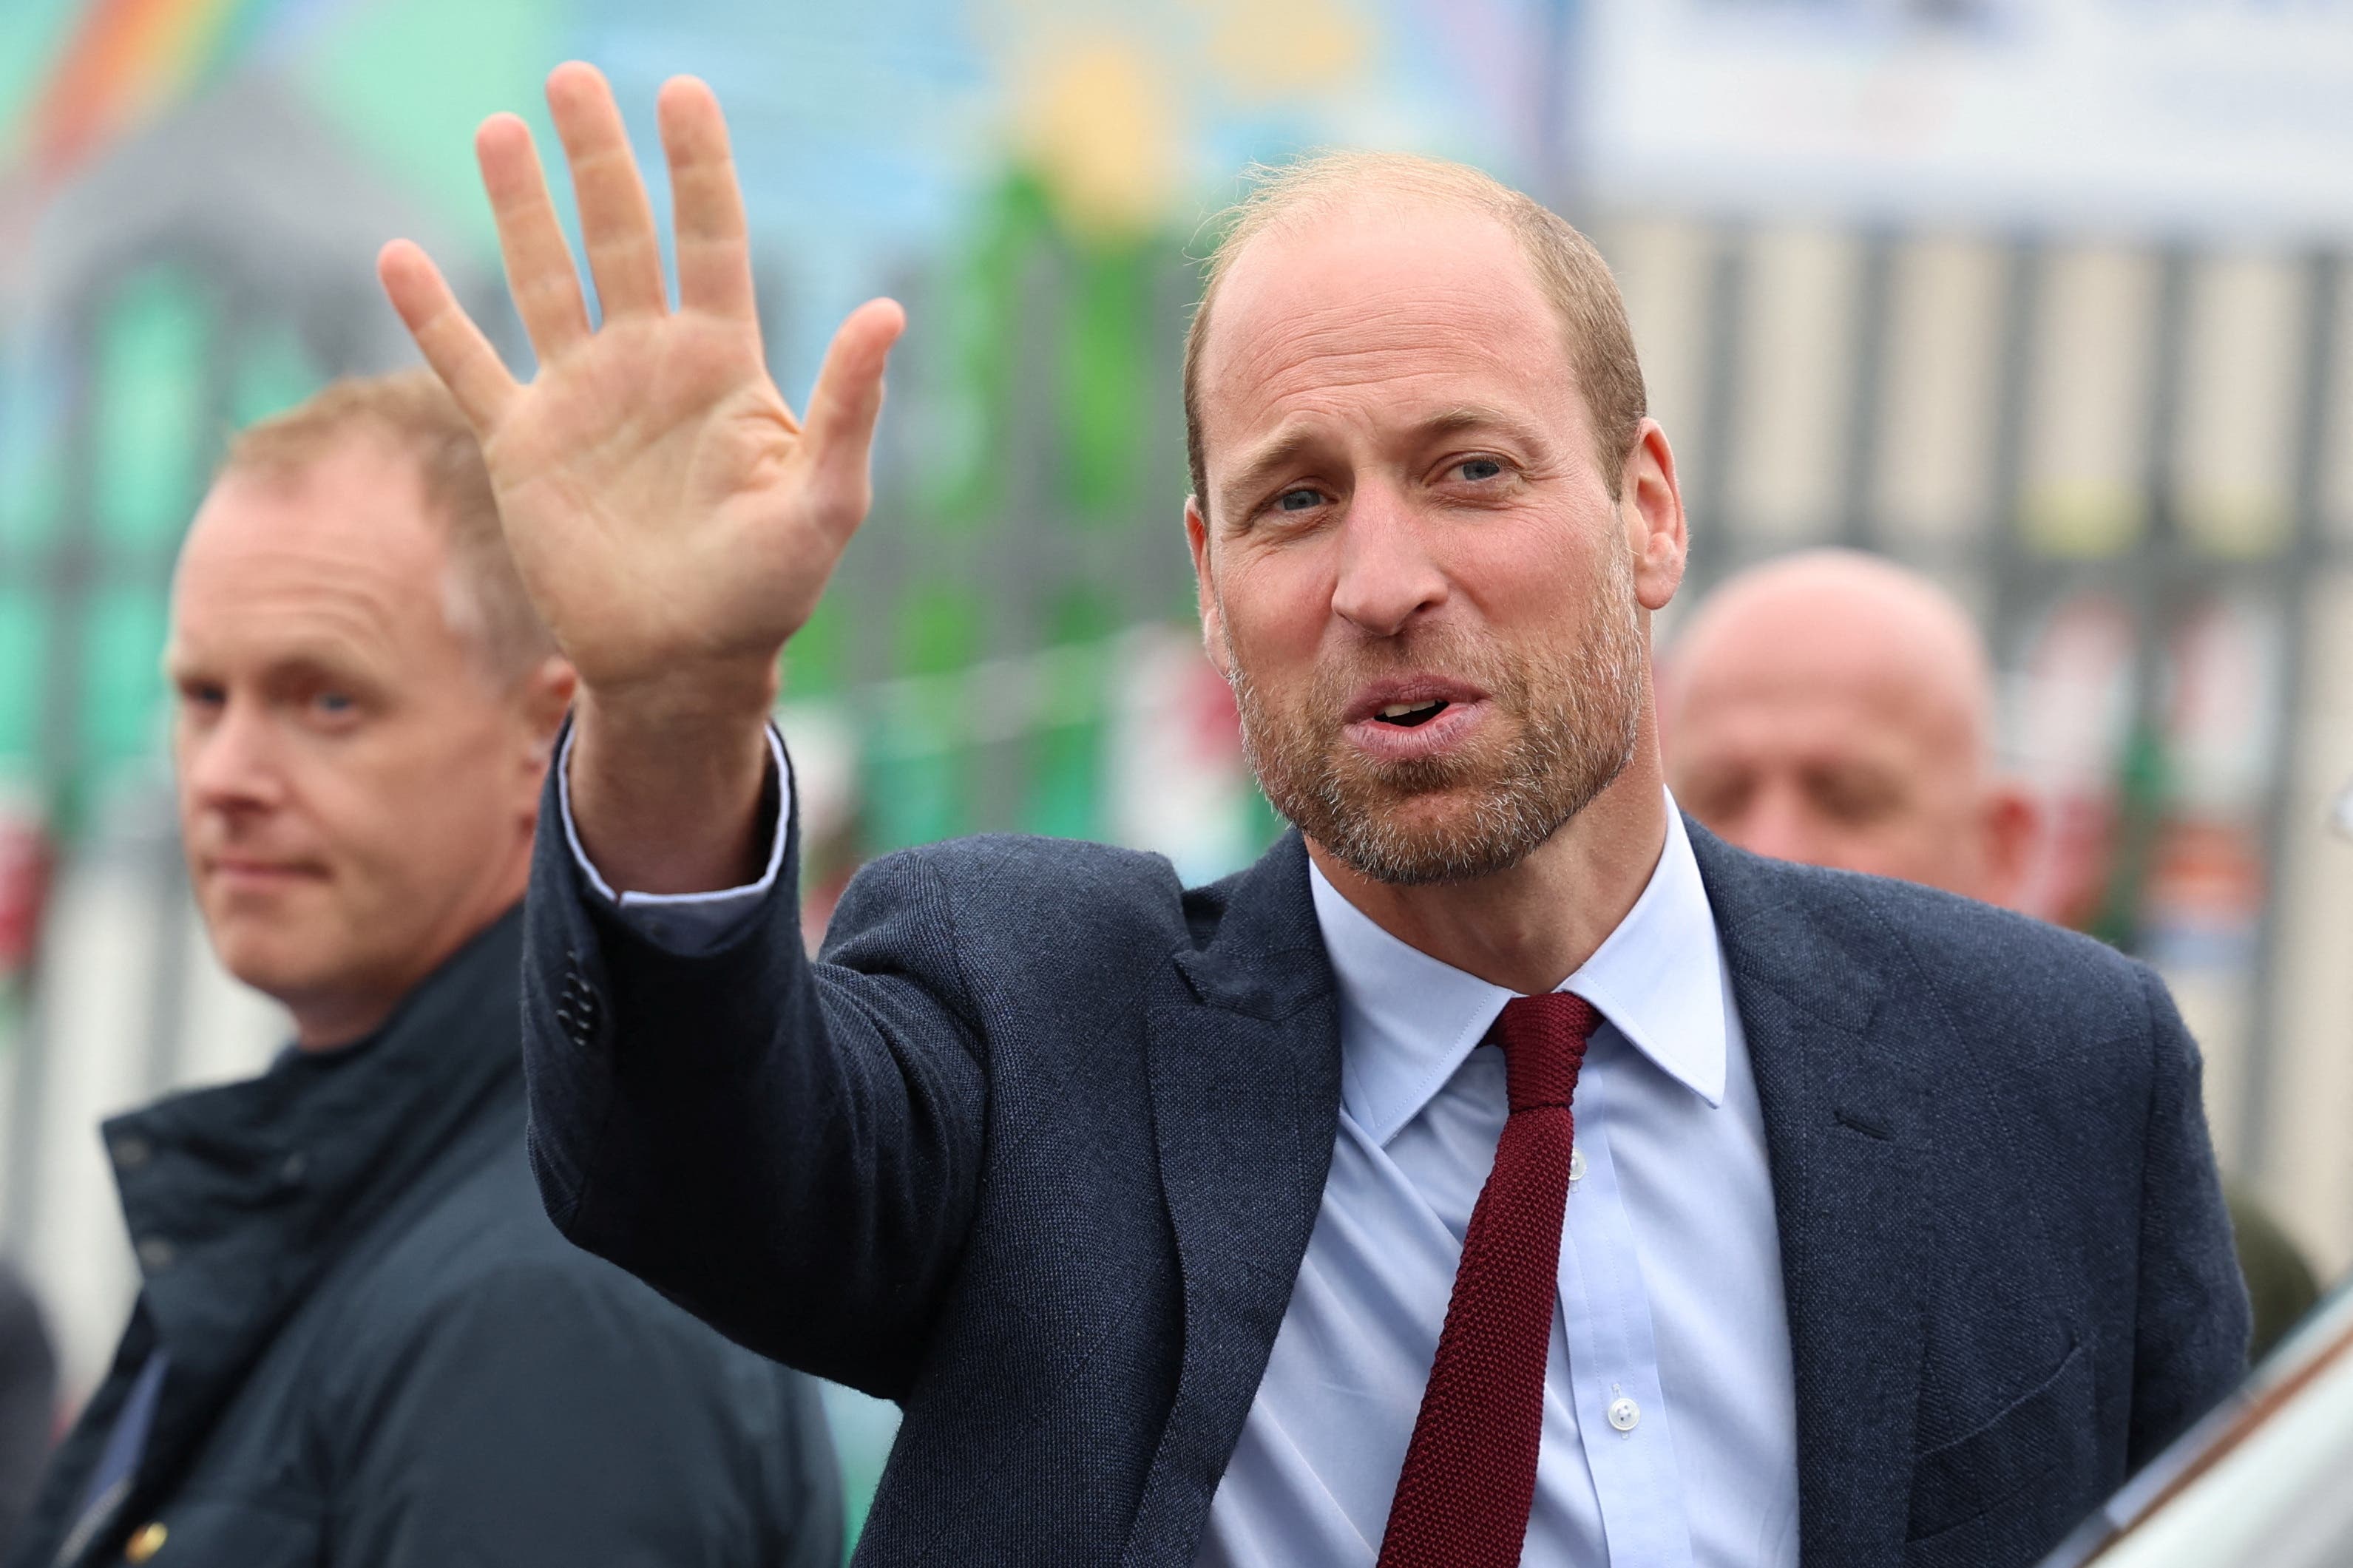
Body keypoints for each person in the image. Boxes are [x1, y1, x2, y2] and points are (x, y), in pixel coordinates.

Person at [378, 63, 2249, 1568]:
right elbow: (689, 1162)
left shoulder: (2052, 1080)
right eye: (1289, 503)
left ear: (1646, 512)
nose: (1379, 578)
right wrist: (676, 705)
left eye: (1467, 470)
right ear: (1207, 585)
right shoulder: (1035, 1026)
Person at [8, 373, 842, 1568]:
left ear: (541, 735)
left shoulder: (550, 1306)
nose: (227, 773)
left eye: (326, 698)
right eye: (203, 696)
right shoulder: (345, 1189)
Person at [1662, 548, 2320, 1362]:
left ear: (2003, 846)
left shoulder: (2169, 1243)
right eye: (1720, 795)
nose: (1768, 848)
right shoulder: (1547, 1180)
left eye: (1848, 798)